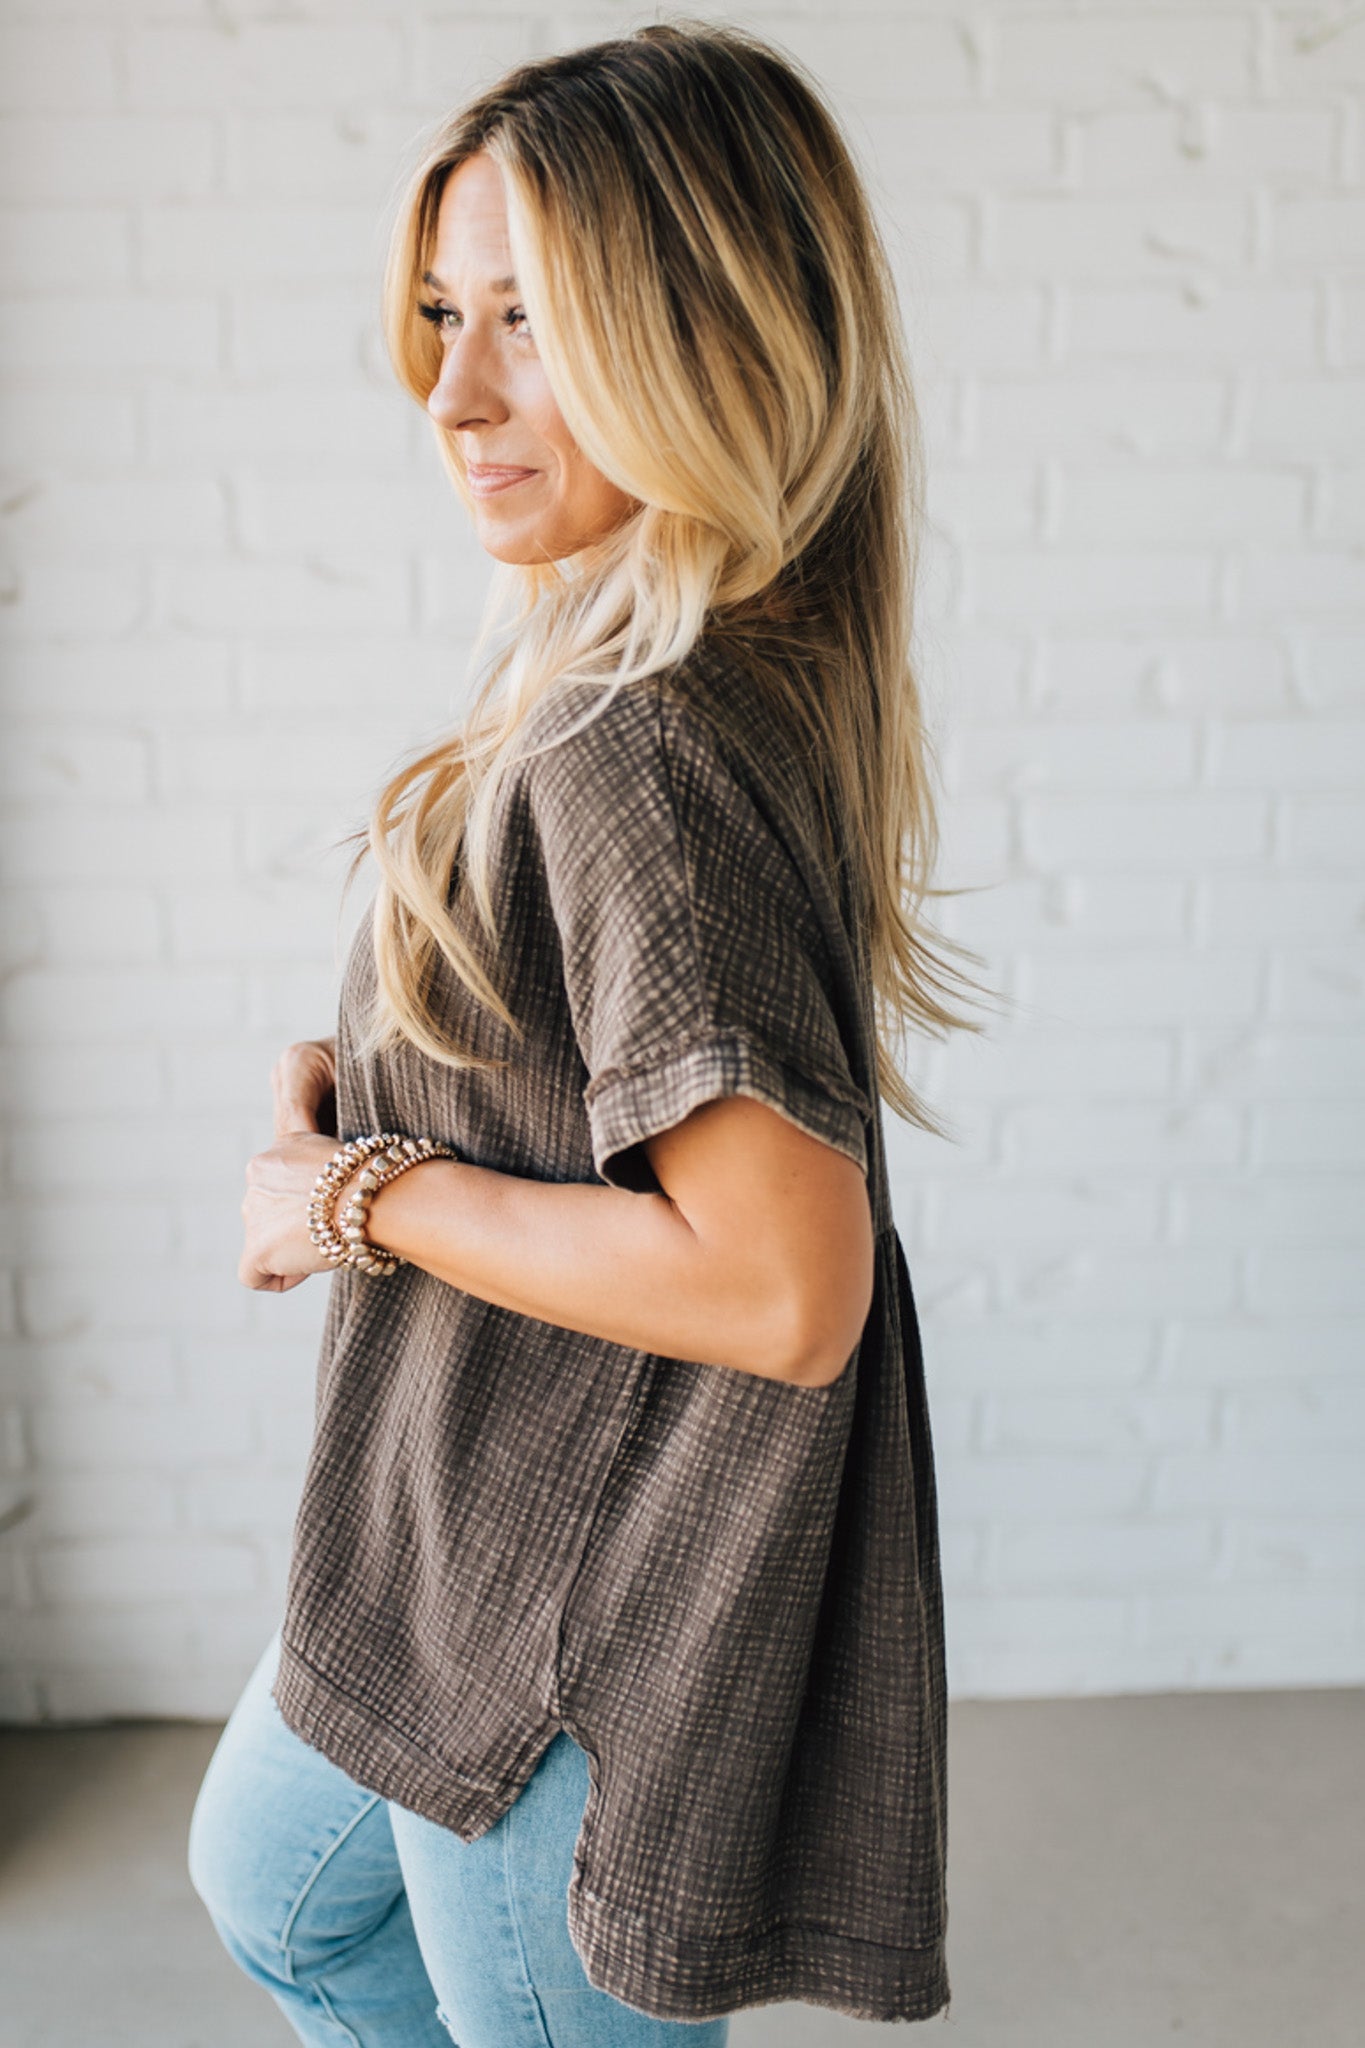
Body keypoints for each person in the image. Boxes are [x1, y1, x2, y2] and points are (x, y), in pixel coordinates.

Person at [187, 19, 992, 2046]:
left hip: (575, 1600)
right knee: (278, 1891)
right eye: (443, 314)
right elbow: (602, 1080)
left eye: (528, 322)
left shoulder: (640, 738)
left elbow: (777, 1281)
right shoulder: (674, 661)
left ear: (703, 332)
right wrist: (383, 1077)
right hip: (470, 1519)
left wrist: (368, 1191)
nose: (448, 391)